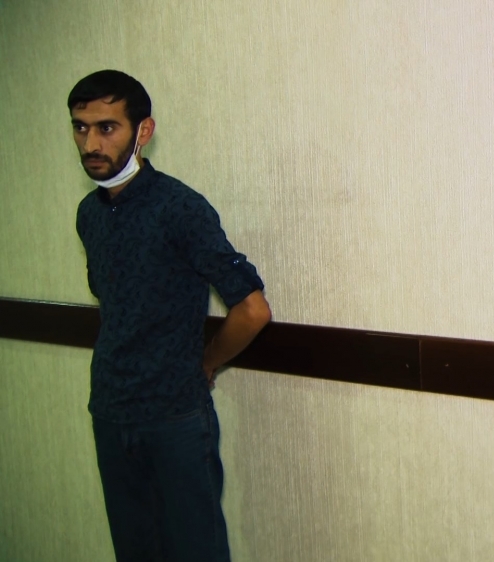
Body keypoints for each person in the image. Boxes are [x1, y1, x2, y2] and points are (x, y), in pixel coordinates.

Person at [69, 70, 272, 562]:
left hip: (174, 416)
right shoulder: (89, 213)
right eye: (80, 127)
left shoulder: (179, 207)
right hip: (110, 410)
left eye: (107, 128)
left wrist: (207, 362)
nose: (91, 143)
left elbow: (252, 309)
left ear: (143, 130)